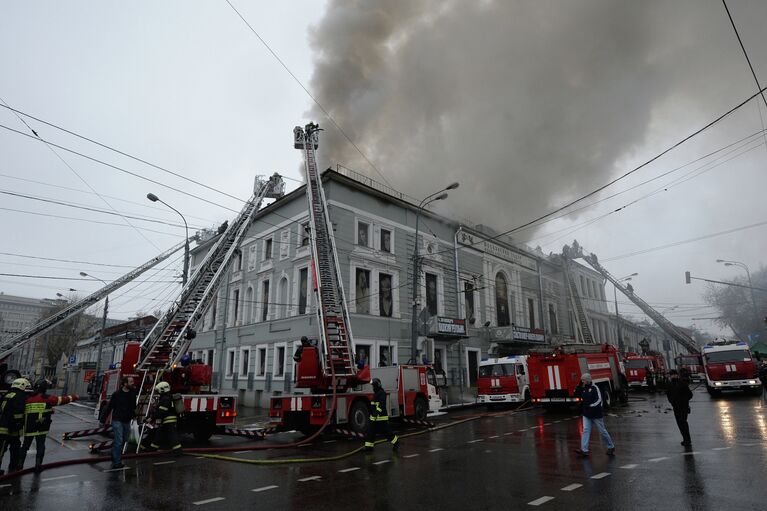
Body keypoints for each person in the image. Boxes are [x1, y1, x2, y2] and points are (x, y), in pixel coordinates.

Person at [19, 379, 77, 471]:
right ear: (45, 388)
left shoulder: (28, 398)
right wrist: (74, 397)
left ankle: (19, 465)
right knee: (40, 446)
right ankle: (38, 465)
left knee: (25, 446)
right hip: (41, 427)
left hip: (29, 427)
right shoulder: (47, 398)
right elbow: (61, 400)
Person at [574, 373, 615, 458]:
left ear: (588, 380)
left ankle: (611, 446)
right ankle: (584, 450)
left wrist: (591, 405)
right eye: (582, 380)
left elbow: (599, 399)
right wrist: (579, 385)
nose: (583, 381)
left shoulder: (595, 388)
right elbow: (576, 393)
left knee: (602, 431)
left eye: (584, 380)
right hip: (586, 414)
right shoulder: (583, 388)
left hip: (596, 414)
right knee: (585, 430)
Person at [101, 376, 138, 469]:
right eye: (131, 382)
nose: (133, 383)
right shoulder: (117, 394)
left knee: (125, 439)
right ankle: (117, 462)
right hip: (117, 420)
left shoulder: (133, 394)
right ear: (125, 384)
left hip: (127, 420)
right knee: (119, 440)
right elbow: (110, 406)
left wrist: (134, 415)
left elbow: (133, 406)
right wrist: (103, 419)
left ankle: (114, 454)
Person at [0, 378, 31, 474]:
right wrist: (18, 424)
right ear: (21, 385)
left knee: (7, 448)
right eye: (26, 387)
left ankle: (13, 467)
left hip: (4, 425)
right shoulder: (20, 396)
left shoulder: (8, 394)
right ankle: (13, 467)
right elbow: (18, 412)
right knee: (11, 448)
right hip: (9, 428)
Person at [363, 378, 398, 453]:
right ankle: (368, 448)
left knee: (387, 433)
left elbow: (382, 405)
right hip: (374, 418)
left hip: (381, 418)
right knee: (370, 433)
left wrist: (376, 412)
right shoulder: (376, 393)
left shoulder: (382, 393)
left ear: (377, 385)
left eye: (374, 386)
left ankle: (396, 443)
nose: (373, 387)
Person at [147, 381, 181, 454]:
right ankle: (152, 449)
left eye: (158, 390)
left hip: (168, 419)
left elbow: (161, 411)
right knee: (160, 434)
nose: (158, 392)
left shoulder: (165, 398)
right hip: (167, 419)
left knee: (172, 436)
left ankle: (178, 451)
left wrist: (151, 418)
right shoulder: (167, 397)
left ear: (162, 389)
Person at [666, 369, 693, 447]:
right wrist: (672, 401)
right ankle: (685, 439)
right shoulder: (669, 385)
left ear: (677, 375)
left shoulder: (682, 384)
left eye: (674, 375)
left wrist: (684, 400)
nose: (673, 376)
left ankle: (688, 439)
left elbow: (690, 395)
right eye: (672, 375)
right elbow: (668, 394)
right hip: (676, 407)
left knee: (683, 421)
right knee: (679, 424)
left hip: (683, 406)